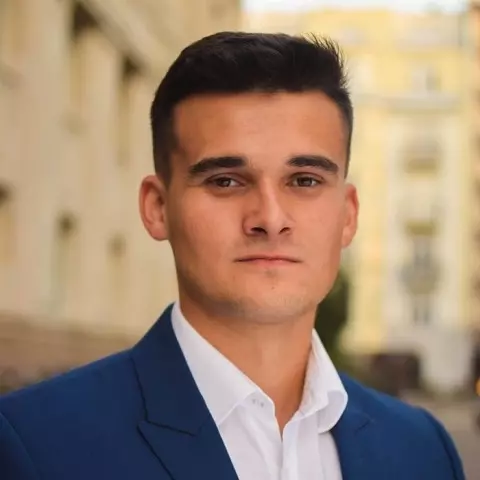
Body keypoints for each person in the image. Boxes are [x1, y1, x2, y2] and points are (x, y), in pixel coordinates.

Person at [0, 32, 465, 480]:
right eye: (225, 181)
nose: (270, 219)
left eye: (304, 180)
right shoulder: (33, 444)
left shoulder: (422, 449)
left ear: (348, 215)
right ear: (158, 208)